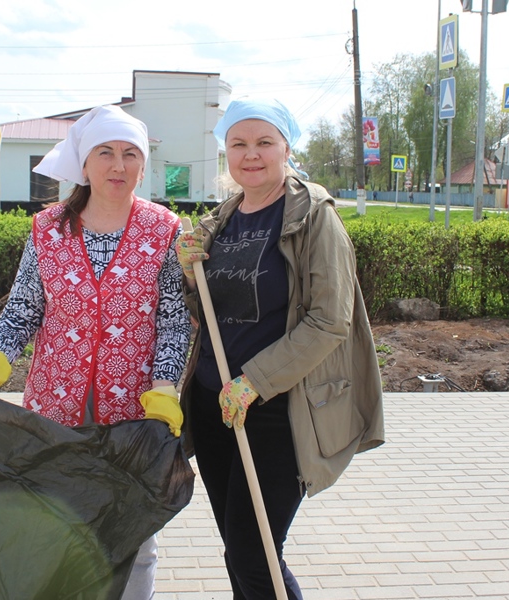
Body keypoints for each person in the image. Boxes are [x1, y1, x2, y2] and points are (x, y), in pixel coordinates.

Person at [0, 104, 192, 600]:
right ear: (84, 163)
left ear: (143, 166)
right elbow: (23, 308)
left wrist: (165, 387)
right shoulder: (48, 230)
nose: (118, 166)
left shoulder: (164, 230)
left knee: (134, 536)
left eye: (130, 155)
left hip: (134, 414)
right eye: (105, 153)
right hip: (55, 410)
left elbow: (173, 319)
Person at [175, 98, 385, 599]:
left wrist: (255, 382)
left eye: (264, 142)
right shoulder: (222, 220)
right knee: (239, 552)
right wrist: (188, 269)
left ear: (286, 147)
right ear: (226, 151)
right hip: (214, 407)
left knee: (256, 554)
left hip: (274, 411)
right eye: (239, 144)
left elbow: (330, 319)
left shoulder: (313, 217)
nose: (251, 155)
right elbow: (207, 309)